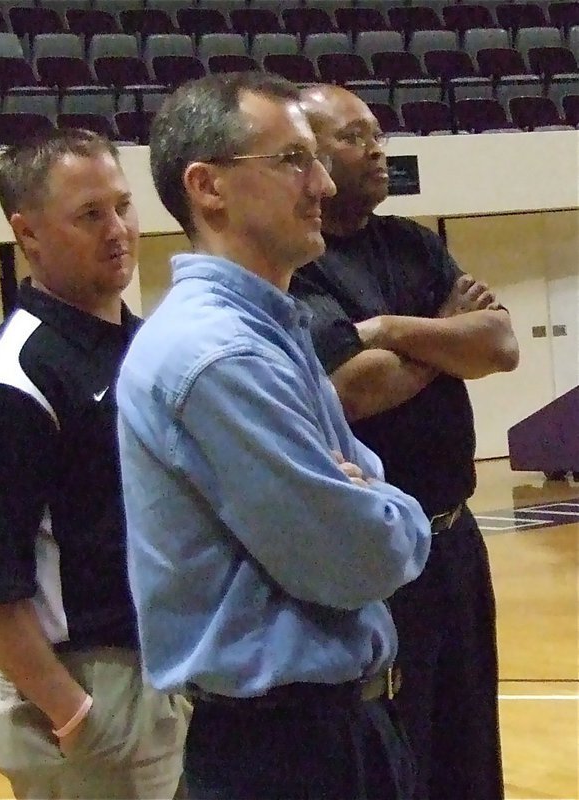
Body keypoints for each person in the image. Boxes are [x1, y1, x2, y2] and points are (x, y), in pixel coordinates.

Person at [117, 71, 432, 800]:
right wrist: (393, 509)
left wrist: (368, 494)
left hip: (337, 731)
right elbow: (353, 560)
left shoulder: (268, 330)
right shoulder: (222, 357)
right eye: (292, 159)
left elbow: (358, 498)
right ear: (208, 187)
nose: (322, 182)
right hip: (283, 752)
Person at [0, 129, 189, 800]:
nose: (119, 230)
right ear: (28, 233)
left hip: (171, 672)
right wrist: (71, 711)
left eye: (123, 205)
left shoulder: (141, 345)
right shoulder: (10, 382)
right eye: (89, 215)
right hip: (92, 687)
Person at [288, 85, 520, 800]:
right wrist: (443, 335)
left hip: (455, 536)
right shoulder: (302, 265)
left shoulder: (412, 241)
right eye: (355, 136)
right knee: (400, 740)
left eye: (377, 132)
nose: (378, 147)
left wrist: (390, 328)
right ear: (313, 162)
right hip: (379, 549)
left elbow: (500, 344)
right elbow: (356, 389)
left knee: (469, 731)